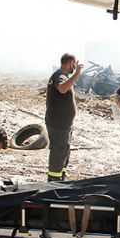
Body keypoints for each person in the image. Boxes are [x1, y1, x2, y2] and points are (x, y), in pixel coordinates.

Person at [45, 53, 83, 181]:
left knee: (64, 150)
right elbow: (62, 89)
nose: (75, 66)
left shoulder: (62, 76)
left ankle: (60, 177)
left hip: (64, 123)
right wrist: (77, 74)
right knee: (59, 150)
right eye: (74, 63)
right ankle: (54, 180)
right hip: (58, 123)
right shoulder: (59, 76)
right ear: (70, 63)